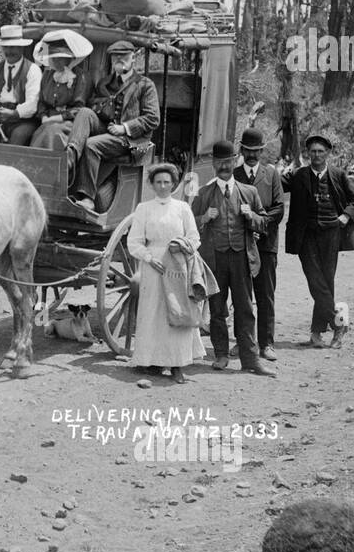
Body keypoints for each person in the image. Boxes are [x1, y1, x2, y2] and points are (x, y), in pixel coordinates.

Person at [192, 141, 275, 377]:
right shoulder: (204, 194)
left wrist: (251, 217)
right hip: (215, 259)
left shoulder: (249, 192)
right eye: (219, 163)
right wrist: (203, 218)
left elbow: (265, 222)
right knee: (217, 309)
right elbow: (189, 224)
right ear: (213, 165)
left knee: (245, 308)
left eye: (228, 162)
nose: (224, 166)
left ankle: (250, 359)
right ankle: (220, 354)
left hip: (241, 258)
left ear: (235, 160)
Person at [125, 163, 207, 384]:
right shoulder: (144, 208)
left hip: (178, 265)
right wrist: (150, 259)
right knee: (153, 313)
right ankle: (151, 361)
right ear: (152, 184)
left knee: (177, 311)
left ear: (174, 184)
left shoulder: (182, 208)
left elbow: (194, 238)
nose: (163, 186)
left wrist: (181, 246)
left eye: (167, 182)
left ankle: (177, 364)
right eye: (158, 182)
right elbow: (134, 242)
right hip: (153, 267)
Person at [283, 133, 354, 348]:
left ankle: (316, 334)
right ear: (307, 154)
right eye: (313, 152)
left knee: (325, 283)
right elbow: (277, 184)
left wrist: (345, 216)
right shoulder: (299, 175)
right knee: (315, 282)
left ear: (328, 153)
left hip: (331, 235)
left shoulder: (337, 175)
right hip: (306, 236)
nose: (316, 155)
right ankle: (339, 325)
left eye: (320, 151)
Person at [70, 40, 160, 212]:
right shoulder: (104, 83)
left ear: (133, 58)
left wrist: (124, 127)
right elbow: (93, 106)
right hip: (107, 130)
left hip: (130, 140)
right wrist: (102, 106)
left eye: (123, 56)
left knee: (91, 145)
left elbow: (153, 118)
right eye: (115, 57)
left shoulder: (145, 85)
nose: (119, 59)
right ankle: (71, 156)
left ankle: (87, 198)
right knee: (84, 113)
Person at [233, 127, 285, 361]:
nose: (252, 155)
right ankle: (243, 343)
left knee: (265, 295)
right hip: (240, 244)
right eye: (248, 150)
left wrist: (257, 224)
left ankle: (266, 344)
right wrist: (245, 230)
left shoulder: (272, 175)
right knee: (242, 297)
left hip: (265, 245)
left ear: (262, 151)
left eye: (256, 151)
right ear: (242, 150)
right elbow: (229, 209)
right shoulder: (233, 175)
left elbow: (278, 209)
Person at [0, 24, 43, 145]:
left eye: (13, 47)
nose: (9, 51)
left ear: (21, 48)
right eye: (6, 47)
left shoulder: (33, 70)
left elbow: (33, 103)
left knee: (19, 134)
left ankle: (8, 163)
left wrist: (14, 114)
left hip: (23, 120)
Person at [30, 29, 93, 152]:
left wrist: (57, 118)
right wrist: (43, 116)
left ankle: (56, 168)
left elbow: (80, 109)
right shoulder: (47, 75)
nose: (55, 61)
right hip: (47, 121)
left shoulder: (82, 76)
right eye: (53, 58)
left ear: (70, 58)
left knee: (52, 132)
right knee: (40, 132)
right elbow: (41, 101)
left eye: (60, 58)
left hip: (70, 123)